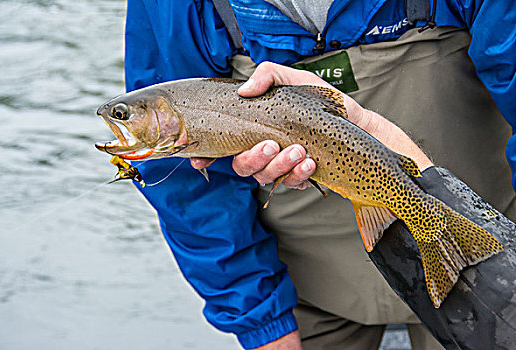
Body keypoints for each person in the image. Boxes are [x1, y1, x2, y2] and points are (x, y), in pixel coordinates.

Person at [123, 0, 516, 349]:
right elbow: (188, 190)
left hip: (488, 271)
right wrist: (263, 323)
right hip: (303, 296)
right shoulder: (171, 7)